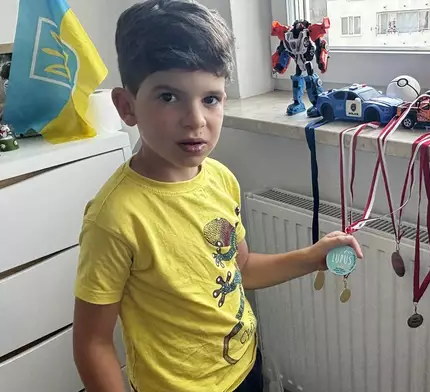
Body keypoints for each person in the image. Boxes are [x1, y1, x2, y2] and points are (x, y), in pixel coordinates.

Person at [72, 1, 363, 392]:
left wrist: (311, 258)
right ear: (127, 107)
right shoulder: (114, 218)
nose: (196, 120)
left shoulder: (221, 179)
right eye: (168, 97)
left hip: (244, 368)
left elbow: (240, 269)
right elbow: (92, 343)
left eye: (210, 98)